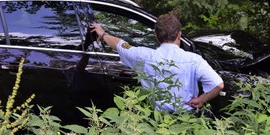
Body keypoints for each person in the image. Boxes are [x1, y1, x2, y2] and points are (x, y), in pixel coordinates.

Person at [90, 14, 224, 113]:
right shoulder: (194, 60)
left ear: (156, 37)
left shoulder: (143, 56)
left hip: (158, 120)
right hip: (186, 118)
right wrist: (201, 99)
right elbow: (218, 85)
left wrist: (103, 35)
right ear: (179, 35)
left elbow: (120, 45)